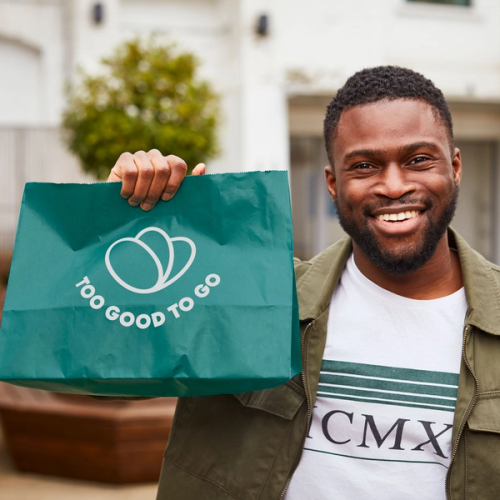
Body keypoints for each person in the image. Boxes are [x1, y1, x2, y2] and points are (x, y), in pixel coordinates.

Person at [108, 66, 500, 500]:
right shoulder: (249, 299)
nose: (393, 186)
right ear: (333, 184)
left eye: (418, 160)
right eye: (365, 165)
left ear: (456, 167)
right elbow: (110, 373)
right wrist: (116, 228)